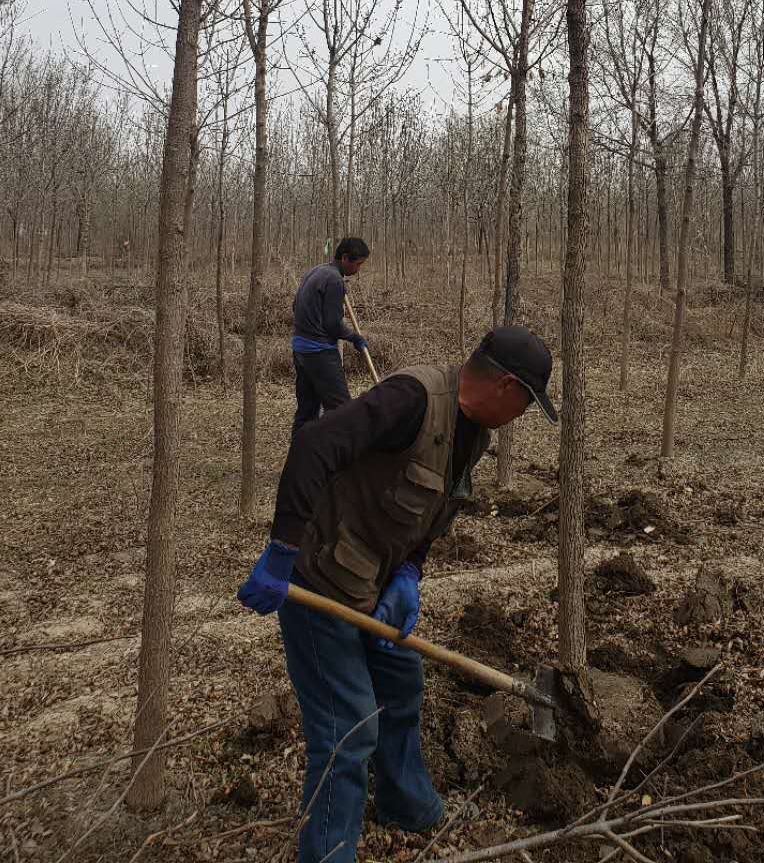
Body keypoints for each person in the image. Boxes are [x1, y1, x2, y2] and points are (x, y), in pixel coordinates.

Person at [237, 325, 557, 863]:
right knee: (349, 727)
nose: (524, 416)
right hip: (319, 579)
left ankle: (405, 804)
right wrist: (281, 551)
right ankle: (328, 851)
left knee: (402, 682)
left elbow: (430, 515)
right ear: (505, 386)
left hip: (373, 583)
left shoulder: (473, 432)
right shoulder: (410, 399)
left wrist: (409, 575)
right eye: (527, 403)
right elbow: (316, 443)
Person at [291, 237, 371, 436]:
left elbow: (295, 306)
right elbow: (333, 325)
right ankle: (341, 463)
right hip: (319, 353)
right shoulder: (335, 280)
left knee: (306, 412)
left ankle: (299, 461)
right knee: (341, 412)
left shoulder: (316, 271)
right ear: (345, 258)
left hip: (300, 350)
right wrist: (354, 337)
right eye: (358, 264)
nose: (359, 269)